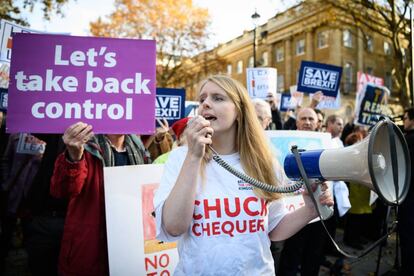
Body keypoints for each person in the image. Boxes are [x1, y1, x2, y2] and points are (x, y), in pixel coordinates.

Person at [154, 75, 333, 275]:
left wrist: (310, 209)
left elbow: (273, 228)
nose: (205, 103)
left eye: (218, 98)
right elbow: (173, 227)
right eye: (202, 99)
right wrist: (193, 157)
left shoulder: (263, 161)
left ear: (239, 111)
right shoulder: (181, 158)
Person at [50, 123, 150, 276]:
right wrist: (74, 157)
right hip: (90, 248)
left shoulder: (139, 148)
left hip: (128, 246)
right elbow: (62, 191)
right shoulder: (85, 145)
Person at [278, 107, 333, 276]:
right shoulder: (285, 143)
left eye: (311, 119)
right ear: (297, 122)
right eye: (304, 118)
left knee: (313, 254)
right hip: (293, 209)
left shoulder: (326, 144)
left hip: (318, 208)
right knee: (291, 254)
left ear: (318, 123)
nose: (307, 122)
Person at [399, 107, 414, 276]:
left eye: (405, 118)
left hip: (408, 195)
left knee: (408, 237)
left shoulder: (407, 140)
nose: (404, 122)